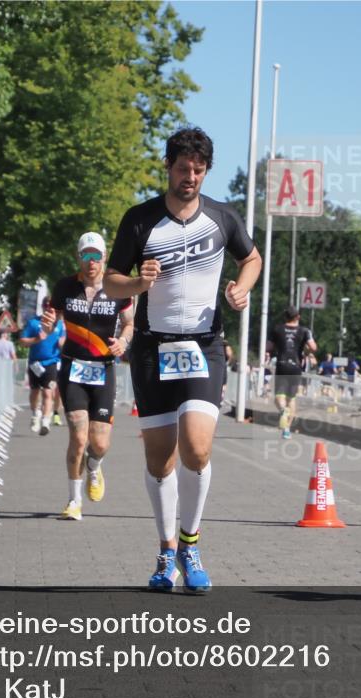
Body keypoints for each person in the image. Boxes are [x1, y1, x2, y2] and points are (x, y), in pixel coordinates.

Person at [104, 126, 262, 592]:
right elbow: (112, 280)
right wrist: (137, 284)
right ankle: (166, 550)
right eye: (181, 169)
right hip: (153, 348)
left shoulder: (222, 219)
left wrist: (241, 289)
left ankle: (191, 544)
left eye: (197, 170)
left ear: (205, 171)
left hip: (203, 345)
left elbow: (251, 259)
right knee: (159, 460)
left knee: (197, 447)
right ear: (168, 168)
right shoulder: (140, 220)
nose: (189, 177)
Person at [41, 232, 134, 521]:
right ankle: (73, 501)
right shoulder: (66, 286)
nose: (91, 261)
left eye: (96, 256)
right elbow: (52, 317)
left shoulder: (118, 288)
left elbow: (130, 324)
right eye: (86, 255)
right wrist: (48, 323)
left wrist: (124, 341)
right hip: (73, 369)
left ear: (104, 258)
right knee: (78, 438)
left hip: (104, 369)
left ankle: (94, 467)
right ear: (78, 257)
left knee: (100, 443)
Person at [267, 306, 317, 440]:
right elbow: (313, 347)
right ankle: (287, 429)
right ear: (298, 317)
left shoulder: (277, 329)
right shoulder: (304, 331)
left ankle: (283, 410)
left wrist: (276, 345)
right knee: (292, 398)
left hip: (282, 365)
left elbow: (268, 347)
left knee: (279, 397)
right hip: (296, 367)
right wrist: (306, 352)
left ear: (285, 317)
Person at [19, 297, 65, 437]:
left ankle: (46, 420)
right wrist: (37, 339)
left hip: (51, 362)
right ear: (43, 307)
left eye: (53, 308)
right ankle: (35, 413)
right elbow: (22, 341)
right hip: (35, 363)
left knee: (48, 392)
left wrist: (64, 344)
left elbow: (63, 341)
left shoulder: (60, 325)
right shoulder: (34, 323)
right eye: (47, 307)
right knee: (34, 392)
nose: (50, 310)